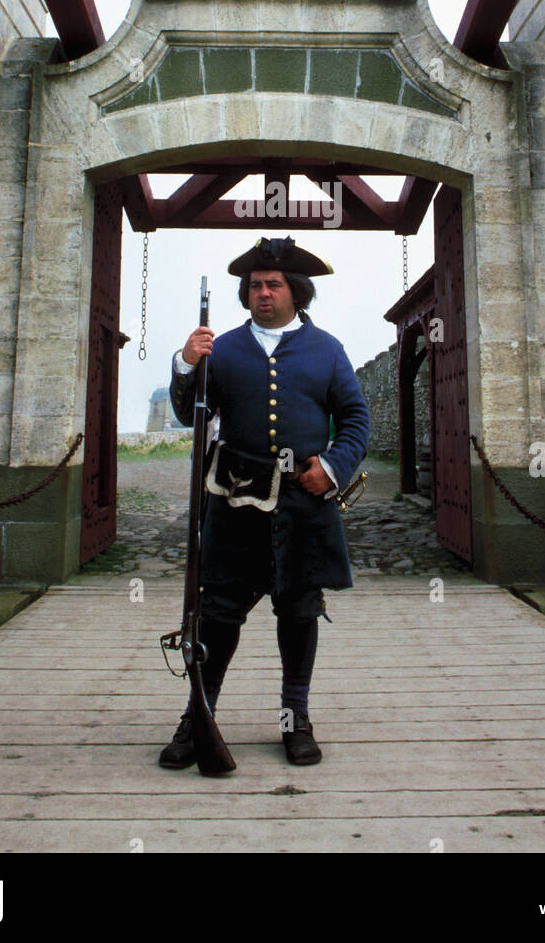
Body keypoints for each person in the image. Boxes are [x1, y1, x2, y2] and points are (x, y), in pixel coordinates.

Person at [159, 236, 369, 769]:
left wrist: (332, 467)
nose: (263, 293)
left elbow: (355, 421)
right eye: (255, 285)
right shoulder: (222, 348)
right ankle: (196, 716)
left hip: (303, 503)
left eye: (274, 284)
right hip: (234, 501)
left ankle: (294, 719)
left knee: (298, 611)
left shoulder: (328, 350)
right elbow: (189, 414)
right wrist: (187, 363)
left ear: (296, 291)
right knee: (218, 613)